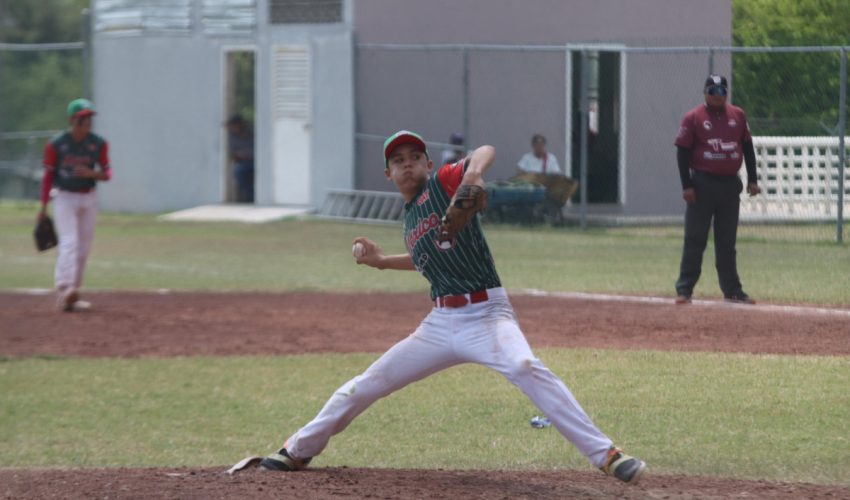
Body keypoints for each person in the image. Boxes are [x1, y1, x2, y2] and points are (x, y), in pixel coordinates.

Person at [255, 130, 646, 484]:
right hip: (441, 324)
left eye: (414, 157)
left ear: (428, 164)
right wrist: (380, 261)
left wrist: (473, 176)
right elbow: (423, 255)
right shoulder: (409, 219)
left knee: (525, 366)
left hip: (488, 315)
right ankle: (298, 449)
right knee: (366, 384)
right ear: (389, 174)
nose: (407, 164)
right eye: (398, 160)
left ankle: (607, 455)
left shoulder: (443, 185)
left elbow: (486, 148)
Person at [673, 75, 761, 305]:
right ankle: (684, 289)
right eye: (713, 91)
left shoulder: (738, 116)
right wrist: (687, 185)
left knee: (726, 241)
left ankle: (732, 290)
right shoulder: (693, 117)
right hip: (702, 184)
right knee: (695, 238)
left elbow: (747, 147)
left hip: (729, 185)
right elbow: (682, 152)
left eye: (721, 91)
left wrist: (753, 178)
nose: (717, 95)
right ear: (705, 93)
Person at [37, 98, 112, 312]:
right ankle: (64, 287)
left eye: (89, 118)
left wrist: (92, 173)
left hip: (89, 197)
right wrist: (43, 207)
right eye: (82, 118)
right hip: (64, 196)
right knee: (69, 241)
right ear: (72, 120)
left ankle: (73, 294)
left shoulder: (98, 143)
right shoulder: (56, 144)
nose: (87, 122)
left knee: (84, 247)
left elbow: (107, 173)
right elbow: (48, 176)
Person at [225, 114, 255, 202]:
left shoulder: (253, 132)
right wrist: (238, 155)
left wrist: (249, 153)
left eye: (233, 126)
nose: (232, 129)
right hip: (244, 163)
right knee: (238, 171)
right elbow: (232, 152)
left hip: (257, 161)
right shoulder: (231, 137)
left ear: (239, 125)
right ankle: (251, 197)